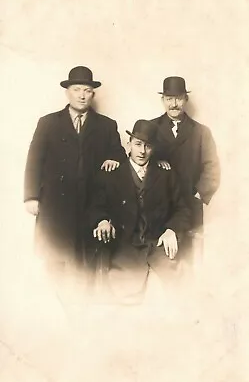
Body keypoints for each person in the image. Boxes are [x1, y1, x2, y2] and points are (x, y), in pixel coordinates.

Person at [24, 66, 127, 268]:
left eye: (87, 91)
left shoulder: (106, 125)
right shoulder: (48, 123)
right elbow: (34, 160)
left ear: (93, 94)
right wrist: (31, 196)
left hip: (90, 203)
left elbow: (119, 153)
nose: (82, 95)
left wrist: (115, 158)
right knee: (55, 259)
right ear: (67, 92)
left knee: (85, 261)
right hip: (55, 203)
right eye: (77, 89)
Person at [89, 120, 191, 303]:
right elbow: (96, 206)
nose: (142, 151)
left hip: (158, 244)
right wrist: (103, 220)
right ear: (129, 143)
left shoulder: (166, 174)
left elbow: (182, 208)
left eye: (148, 146)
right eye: (138, 144)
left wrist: (172, 230)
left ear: (154, 148)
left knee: (181, 292)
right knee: (125, 295)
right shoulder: (111, 173)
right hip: (125, 246)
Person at [151, 76, 220, 246]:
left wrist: (199, 193)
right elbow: (139, 159)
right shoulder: (150, 128)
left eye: (178, 98)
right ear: (163, 100)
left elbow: (212, 166)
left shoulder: (201, 132)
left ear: (186, 99)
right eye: (169, 99)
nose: (173, 104)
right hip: (158, 205)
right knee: (161, 255)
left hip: (191, 205)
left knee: (192, 257)